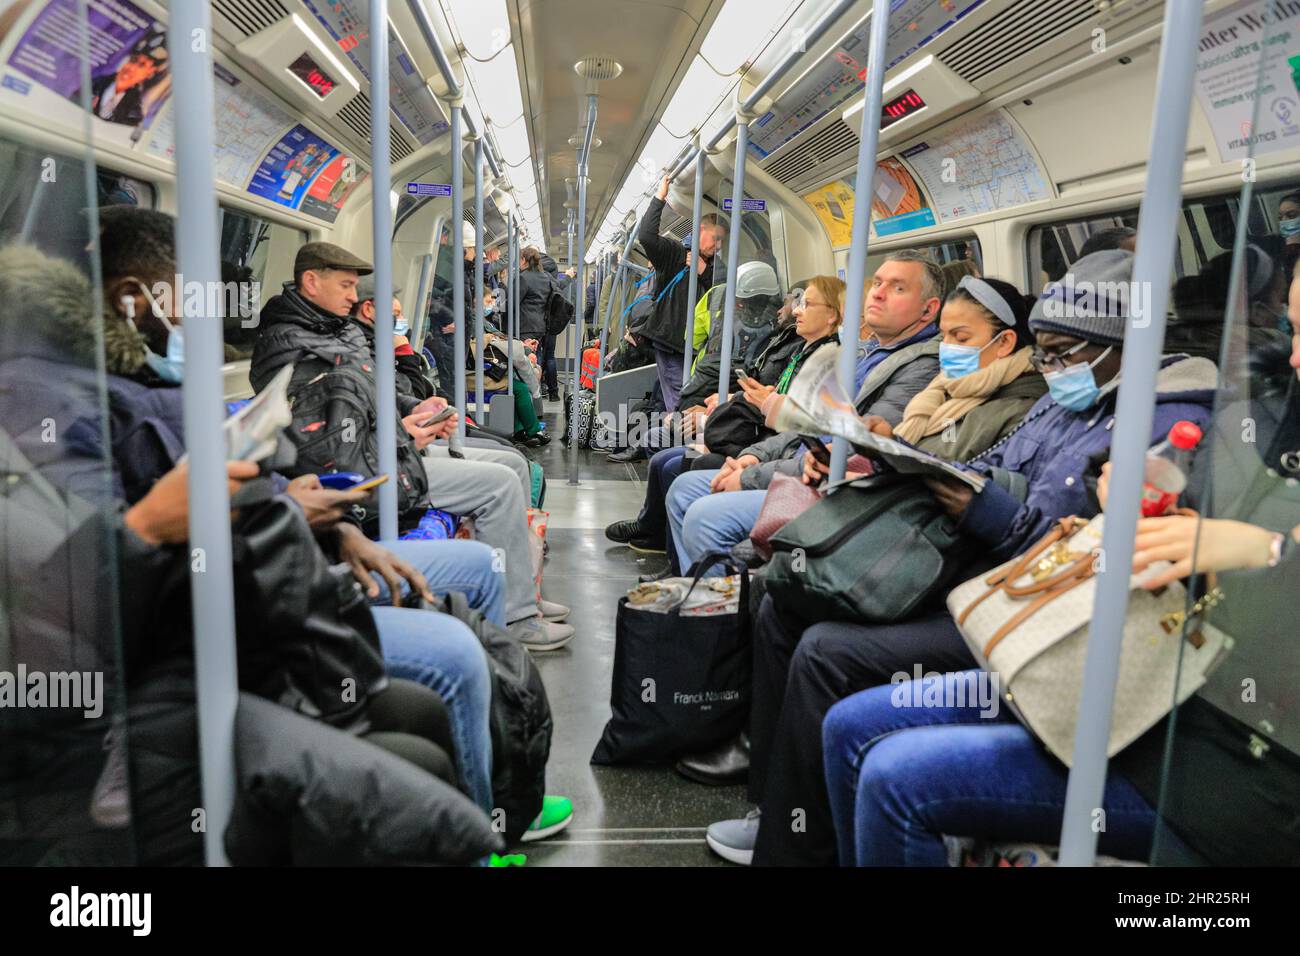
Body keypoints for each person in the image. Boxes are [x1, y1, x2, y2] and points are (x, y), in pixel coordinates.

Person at [704, 249, 1219, 866]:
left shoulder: (1165, 424)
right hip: (989, 571)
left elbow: (1080, 558)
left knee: (825, 650)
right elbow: (999, 470)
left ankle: (799, 845)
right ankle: (778, 810)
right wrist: (911, 466)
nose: (1050, 367)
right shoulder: (1065, 398)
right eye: (1045, 351)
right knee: (784, 601)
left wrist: (977, 506)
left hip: (1038, 614)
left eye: (1063, 353)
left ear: (1120, 348)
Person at [822, 255, 1300, 867]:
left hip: (1218, 760)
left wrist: (1269, 553)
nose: (1289, 356)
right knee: (850, 725)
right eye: (1290, 329)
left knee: (896, 774)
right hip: (1135, 669)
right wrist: (1141, 515)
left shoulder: (1182, 411)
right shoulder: (1253, 426)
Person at [250, 241, 573, 650]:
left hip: (387, 449)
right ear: (311, 282)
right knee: (499, 485)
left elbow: (375, 392)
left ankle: (523, 593)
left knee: (512, 465)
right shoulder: (288, 346)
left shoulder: (336, 329)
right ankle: (516, 619)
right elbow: (320, 443)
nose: (353, 296)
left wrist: (418, 407)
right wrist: (402, 433)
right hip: (362, 471)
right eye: (346, 286)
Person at [664, 252, 943, 575]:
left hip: (831, 487)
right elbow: (810, 424)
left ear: (929, 309)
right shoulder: (868, 356)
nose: (877, 292)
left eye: (897, 288)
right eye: (877, 283)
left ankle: (723, 614)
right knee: (683, 489)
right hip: (793, 461)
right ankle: (706, 595)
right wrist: (753, 458)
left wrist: (750, 475)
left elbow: (846, 452)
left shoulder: (919, 368)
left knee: (705, 516)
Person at [603, 274, 832, 565]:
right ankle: (655, 533)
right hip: (751, 434)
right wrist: (726, 405)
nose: (793, 309)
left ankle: (669, 551)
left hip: (755, 436)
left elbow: (780, 412)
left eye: (803, 303)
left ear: (831, 315)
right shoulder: (790, 345)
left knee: (680, 462)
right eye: (794, 302)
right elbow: (757, 391)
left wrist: (725, 426)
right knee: (663, 453)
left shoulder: (819, 359)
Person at [637, 175, 727, 412]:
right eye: (715, 238)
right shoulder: (675, 254)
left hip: (699, 348)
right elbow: (646, 236)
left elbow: (724, 294)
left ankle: (669, 440)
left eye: (721, 242)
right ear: (700, 229)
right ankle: (680, 442)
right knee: (679, 400)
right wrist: (660, 197)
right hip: (672, 341)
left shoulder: (718, 268)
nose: (717, 245)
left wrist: (703, 271)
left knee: (675, 398)